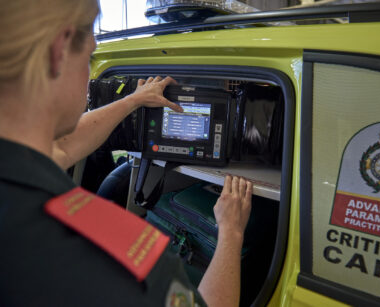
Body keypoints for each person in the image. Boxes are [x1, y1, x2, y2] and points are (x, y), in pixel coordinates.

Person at [0, 1, 252, 306]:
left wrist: (133, 100)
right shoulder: (124, 261)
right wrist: (231, 232)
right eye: (89, 57)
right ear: (60, 52)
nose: (90, 73)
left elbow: (61, 148)